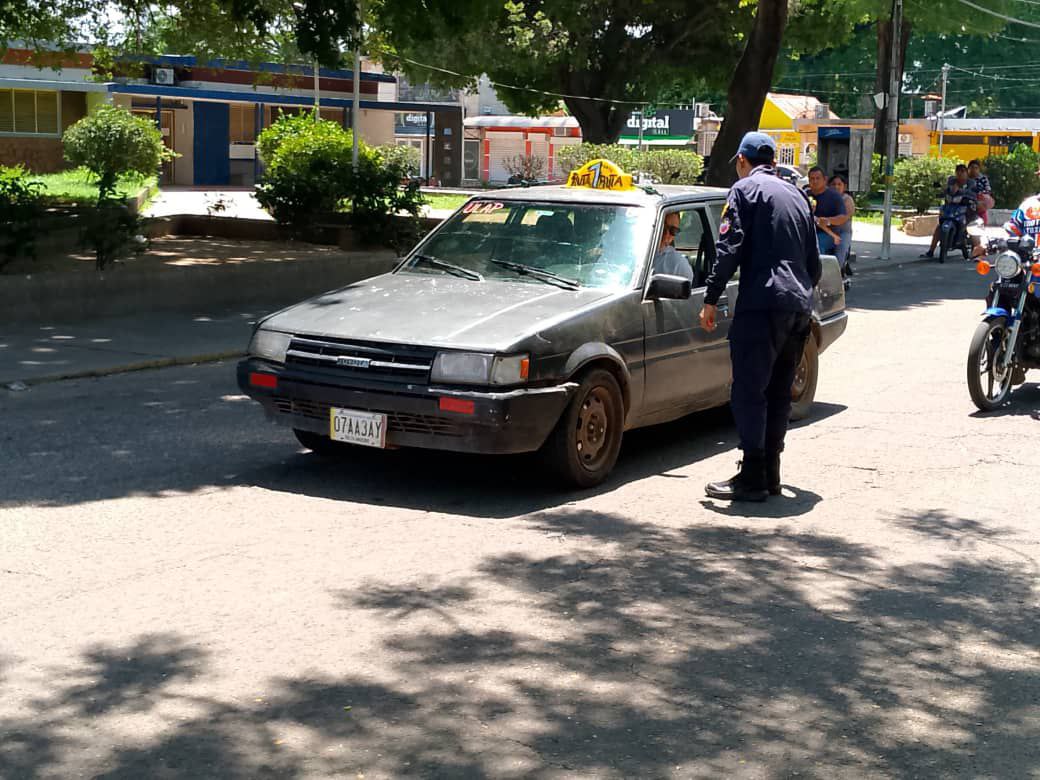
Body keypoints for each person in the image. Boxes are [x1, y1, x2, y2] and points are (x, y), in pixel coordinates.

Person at [699, 132, 822, 502]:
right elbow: (813, 262)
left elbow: (729, 247)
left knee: (749, 391)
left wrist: (710, 298)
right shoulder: (797, 195)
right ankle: (771, 473)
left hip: (763, 303)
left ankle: (752, 476)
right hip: (799, 305)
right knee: (779, 392)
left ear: (742, 160)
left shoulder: (744, 190)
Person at [921, 164, 977, 259]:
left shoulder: (971, 183)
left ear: (966, 173)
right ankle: (931, 251)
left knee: (971, 227)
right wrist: (941, 192)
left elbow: (973, 194)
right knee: (939, 228)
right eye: (958, 172)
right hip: (950, 208)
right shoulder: (952, 180)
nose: (960, 175)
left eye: (962, 172)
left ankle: (975, 251)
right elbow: (945, 190)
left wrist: (964, 194)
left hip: (965, 209)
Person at [806, 166, 847, 255]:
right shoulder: (804, 194)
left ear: (825, 180)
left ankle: (819, 268)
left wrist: (828, 220)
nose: (815, 181)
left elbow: (843, 217)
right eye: (812, 178)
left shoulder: (834, 196)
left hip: (828, 234)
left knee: (817, 244)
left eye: (818, 178)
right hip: (806, 233)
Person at [652, 212, 694, 282]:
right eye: (662, 227)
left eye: (673, 231)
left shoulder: (678, 264)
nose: (666, 234)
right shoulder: (632, 250)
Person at [828, 174, 856, 277]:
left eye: (839, 184)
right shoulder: (826, 198)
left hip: (843, 233)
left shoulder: (847, 200)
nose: (836, 187)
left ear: (844, 186)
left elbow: (844, 217)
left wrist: (827, 220)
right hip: (827, 231)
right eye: (833, 184)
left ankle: (837, 273)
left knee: (839, 254)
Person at [968, 159, 994, 225]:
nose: (974, 170)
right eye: (972, 168)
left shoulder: (983, 178)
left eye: (976, 168)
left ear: (979, 169)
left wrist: (982, 194)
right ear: (968, 169)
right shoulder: (965, 178)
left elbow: (988, 189)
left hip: (980, 200)